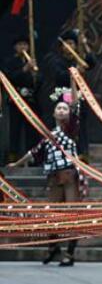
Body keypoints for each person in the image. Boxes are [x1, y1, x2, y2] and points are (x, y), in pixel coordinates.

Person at [8, 92, 82, 266]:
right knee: (51, 213)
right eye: (59, 108)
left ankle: (69, 253)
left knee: (73, 214)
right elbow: (34, 152)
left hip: (70, 175)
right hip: (54, 177)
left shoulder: (71, 130)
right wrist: (17, 163)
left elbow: (76, 105)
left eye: (65, 108)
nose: (62, 111)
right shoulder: (50, 135)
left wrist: (73, 82)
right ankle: (53, 248)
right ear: (54, 114)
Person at [46, 29, 96, 162]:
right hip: (63, 97)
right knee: (62, 125)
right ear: (62, 47)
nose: (69, 47)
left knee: (81, 125)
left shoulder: (78, 59)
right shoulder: (56, 60)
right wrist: (73, 73)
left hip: (78, 98)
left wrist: (85, 44)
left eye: (72, 44)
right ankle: (60, 153)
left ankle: (82, 154)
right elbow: (59, 76)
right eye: (66, 44)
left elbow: (92, 62)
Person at [2, 35, 39, 163]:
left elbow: (40, 80)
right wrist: (24, 69)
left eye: (25, 44)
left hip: (31, 100)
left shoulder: (33, 60)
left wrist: (35, 75)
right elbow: (9, 78)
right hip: (16, 100)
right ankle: (13, 157)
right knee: (15, 130)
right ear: (15, 47)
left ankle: (32, 158)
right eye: (20, 45)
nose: (23, 47)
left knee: (31, 130)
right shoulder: (10, 62)